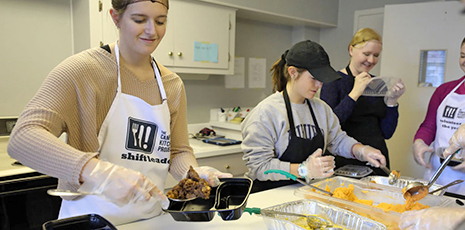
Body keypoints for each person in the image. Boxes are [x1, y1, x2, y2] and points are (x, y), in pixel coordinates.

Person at [7, 0, 231, 225]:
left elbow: (177, 150)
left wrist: (192, 174)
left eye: (160, 21)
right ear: (116, 18)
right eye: (139, 20)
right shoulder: (82, 71)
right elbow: (23, 137)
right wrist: (101, 174)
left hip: (149, 219)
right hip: (90, 219)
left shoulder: (172, 85)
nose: (152, 31)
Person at [241, 40, 386, 193]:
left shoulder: (321, 108)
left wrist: (361, 150)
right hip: (267, 195)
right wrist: (304, 170)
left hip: (305, 192)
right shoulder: (266, 113)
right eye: (314, 78)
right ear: (293, 73)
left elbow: (337, 140)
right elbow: (259, 167)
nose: (319, 84)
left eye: (322, 79)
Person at [320, 28, 405, 175]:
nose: (371, 60)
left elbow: (387, 132)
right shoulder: (333, 82)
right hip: (344, 158)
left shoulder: (378, 84)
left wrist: (392, 102)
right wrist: (354, 93)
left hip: (376, 159)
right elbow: (329, 126)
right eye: (366, 54)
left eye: (376, 55)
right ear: (351, 50)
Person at [411, 37, 465, 196]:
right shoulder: (444, 90)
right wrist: (419, 143)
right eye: (463, 56)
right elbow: (429, 126)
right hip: (439, 177)